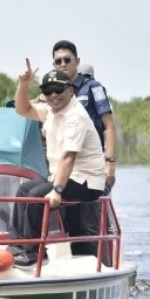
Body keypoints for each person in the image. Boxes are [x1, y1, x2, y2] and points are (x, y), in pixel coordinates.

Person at [6, 60, 106, 268]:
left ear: (70, 90)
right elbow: (22, 109)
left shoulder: (75, 117)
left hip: (85, 181)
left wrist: (57, 190)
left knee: (36, 197)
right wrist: (24, 84)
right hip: (65, 175)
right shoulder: (52, 111)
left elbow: (68, 157)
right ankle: (18, 245)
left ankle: (35, 253)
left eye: (58, 89)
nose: (53, 95)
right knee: (24, 189)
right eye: (48, 90)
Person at [51, 41, 116, 192]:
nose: (63, 64)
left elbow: (109, 126)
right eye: (58, 61)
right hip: (67, 163)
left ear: (77, 61)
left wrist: (110, 163)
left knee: (90, 213)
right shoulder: (55, 92)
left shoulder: (94, 87)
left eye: (67, 60)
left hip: (91, 164)